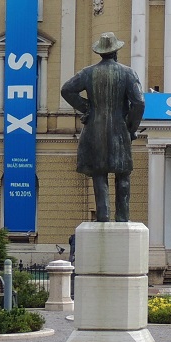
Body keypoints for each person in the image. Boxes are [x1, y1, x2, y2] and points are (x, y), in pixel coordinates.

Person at [61, 32, 145, 222]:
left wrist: (86, 107)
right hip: (120, 128)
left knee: (99, 174)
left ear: (100, 52)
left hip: (94, 128)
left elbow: (66, 90)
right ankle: (123, 218)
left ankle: (103, 216)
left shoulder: (88, 72)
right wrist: (131, 128)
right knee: (123, 174)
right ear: (116, 52)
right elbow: (139, 103)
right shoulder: (128, 73)